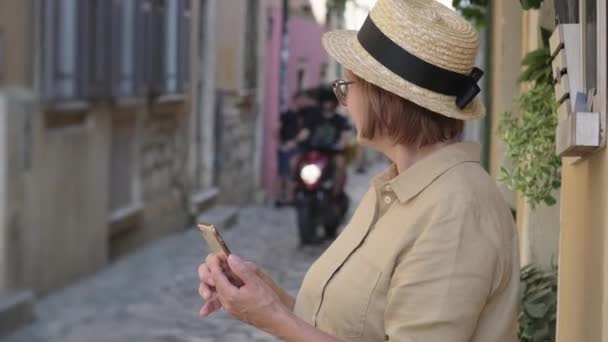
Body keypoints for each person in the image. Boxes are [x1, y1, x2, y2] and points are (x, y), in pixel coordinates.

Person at [197, 1, 519, 341]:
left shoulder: (456, 212)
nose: (345, 101)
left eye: (347, 86)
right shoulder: (395, 188)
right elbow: (340, 328)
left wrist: (272, 318)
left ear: (385, 98)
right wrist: (266, 295)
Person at [298, 88, 351, 199]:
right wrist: (298, 139)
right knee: (296, 162)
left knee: (340, 165)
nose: (328, 104)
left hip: (332, 152)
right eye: (326, 101)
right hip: (314, 151)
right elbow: (306, 132)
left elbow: (345, 136)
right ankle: (298, 188)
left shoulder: (340, 120)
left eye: (330, 101)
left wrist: (342, 144)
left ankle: (336, 194)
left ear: (334, 103)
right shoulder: (313, 117)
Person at [276, 92, 310, 207]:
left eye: (304, 100)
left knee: (292, 171)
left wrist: (294, 143)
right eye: (301, 100)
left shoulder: (306, 115)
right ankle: (281, 198)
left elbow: (305, 133)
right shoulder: (287, 115)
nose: (303, 102)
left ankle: (290, 197)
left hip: (298, 148)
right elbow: (277, 129)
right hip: (286, 147)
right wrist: (281, 144)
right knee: (282, 173)